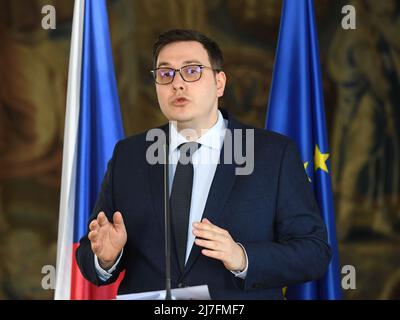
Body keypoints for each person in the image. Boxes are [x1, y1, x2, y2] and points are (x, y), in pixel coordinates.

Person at [76, 29, 331, 299]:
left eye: (192, 71)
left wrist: (242, 257)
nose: (178, 84)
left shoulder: (272, 154)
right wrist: (105, 259)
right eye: (166, 74)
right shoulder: (128, 156)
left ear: (219, 82)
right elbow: (89, 252)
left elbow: (314, 252)